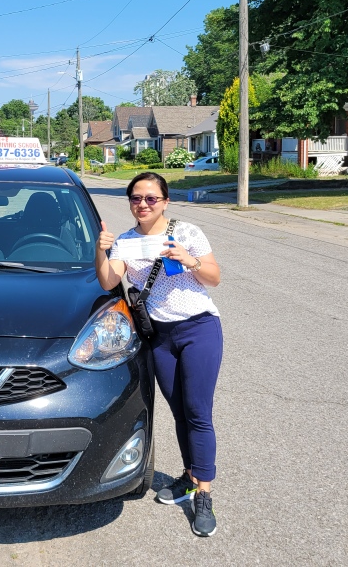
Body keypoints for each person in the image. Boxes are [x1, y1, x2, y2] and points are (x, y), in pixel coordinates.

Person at [94, 171, 223, 537]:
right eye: (136, 198)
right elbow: (107, 280)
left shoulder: (186, 233)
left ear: (165, 201)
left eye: (151, 198)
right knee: (179, 411)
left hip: (199, 329)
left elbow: (215, 277)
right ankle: (189, 475)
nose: (143, 205)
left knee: (198, 411)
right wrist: (100, 250)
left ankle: (204, 494)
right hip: (160, 336)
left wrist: (189, 260)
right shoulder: (125, 241)